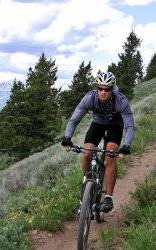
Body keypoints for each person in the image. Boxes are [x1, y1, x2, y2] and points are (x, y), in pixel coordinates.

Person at [61, 72, 135, 213]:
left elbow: (130, 125)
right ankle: (88, 180)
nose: (103, 92)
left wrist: (127, 145)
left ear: (112, 89)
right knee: (87, 153)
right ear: (97, 88)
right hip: (97, 124)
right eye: (100, 88)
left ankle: (108, 197)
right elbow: (74, 120)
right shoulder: (90, 98)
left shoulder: (121, 101)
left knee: (111, 156)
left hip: (115, 126)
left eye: (107, 89)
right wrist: (67, 138)